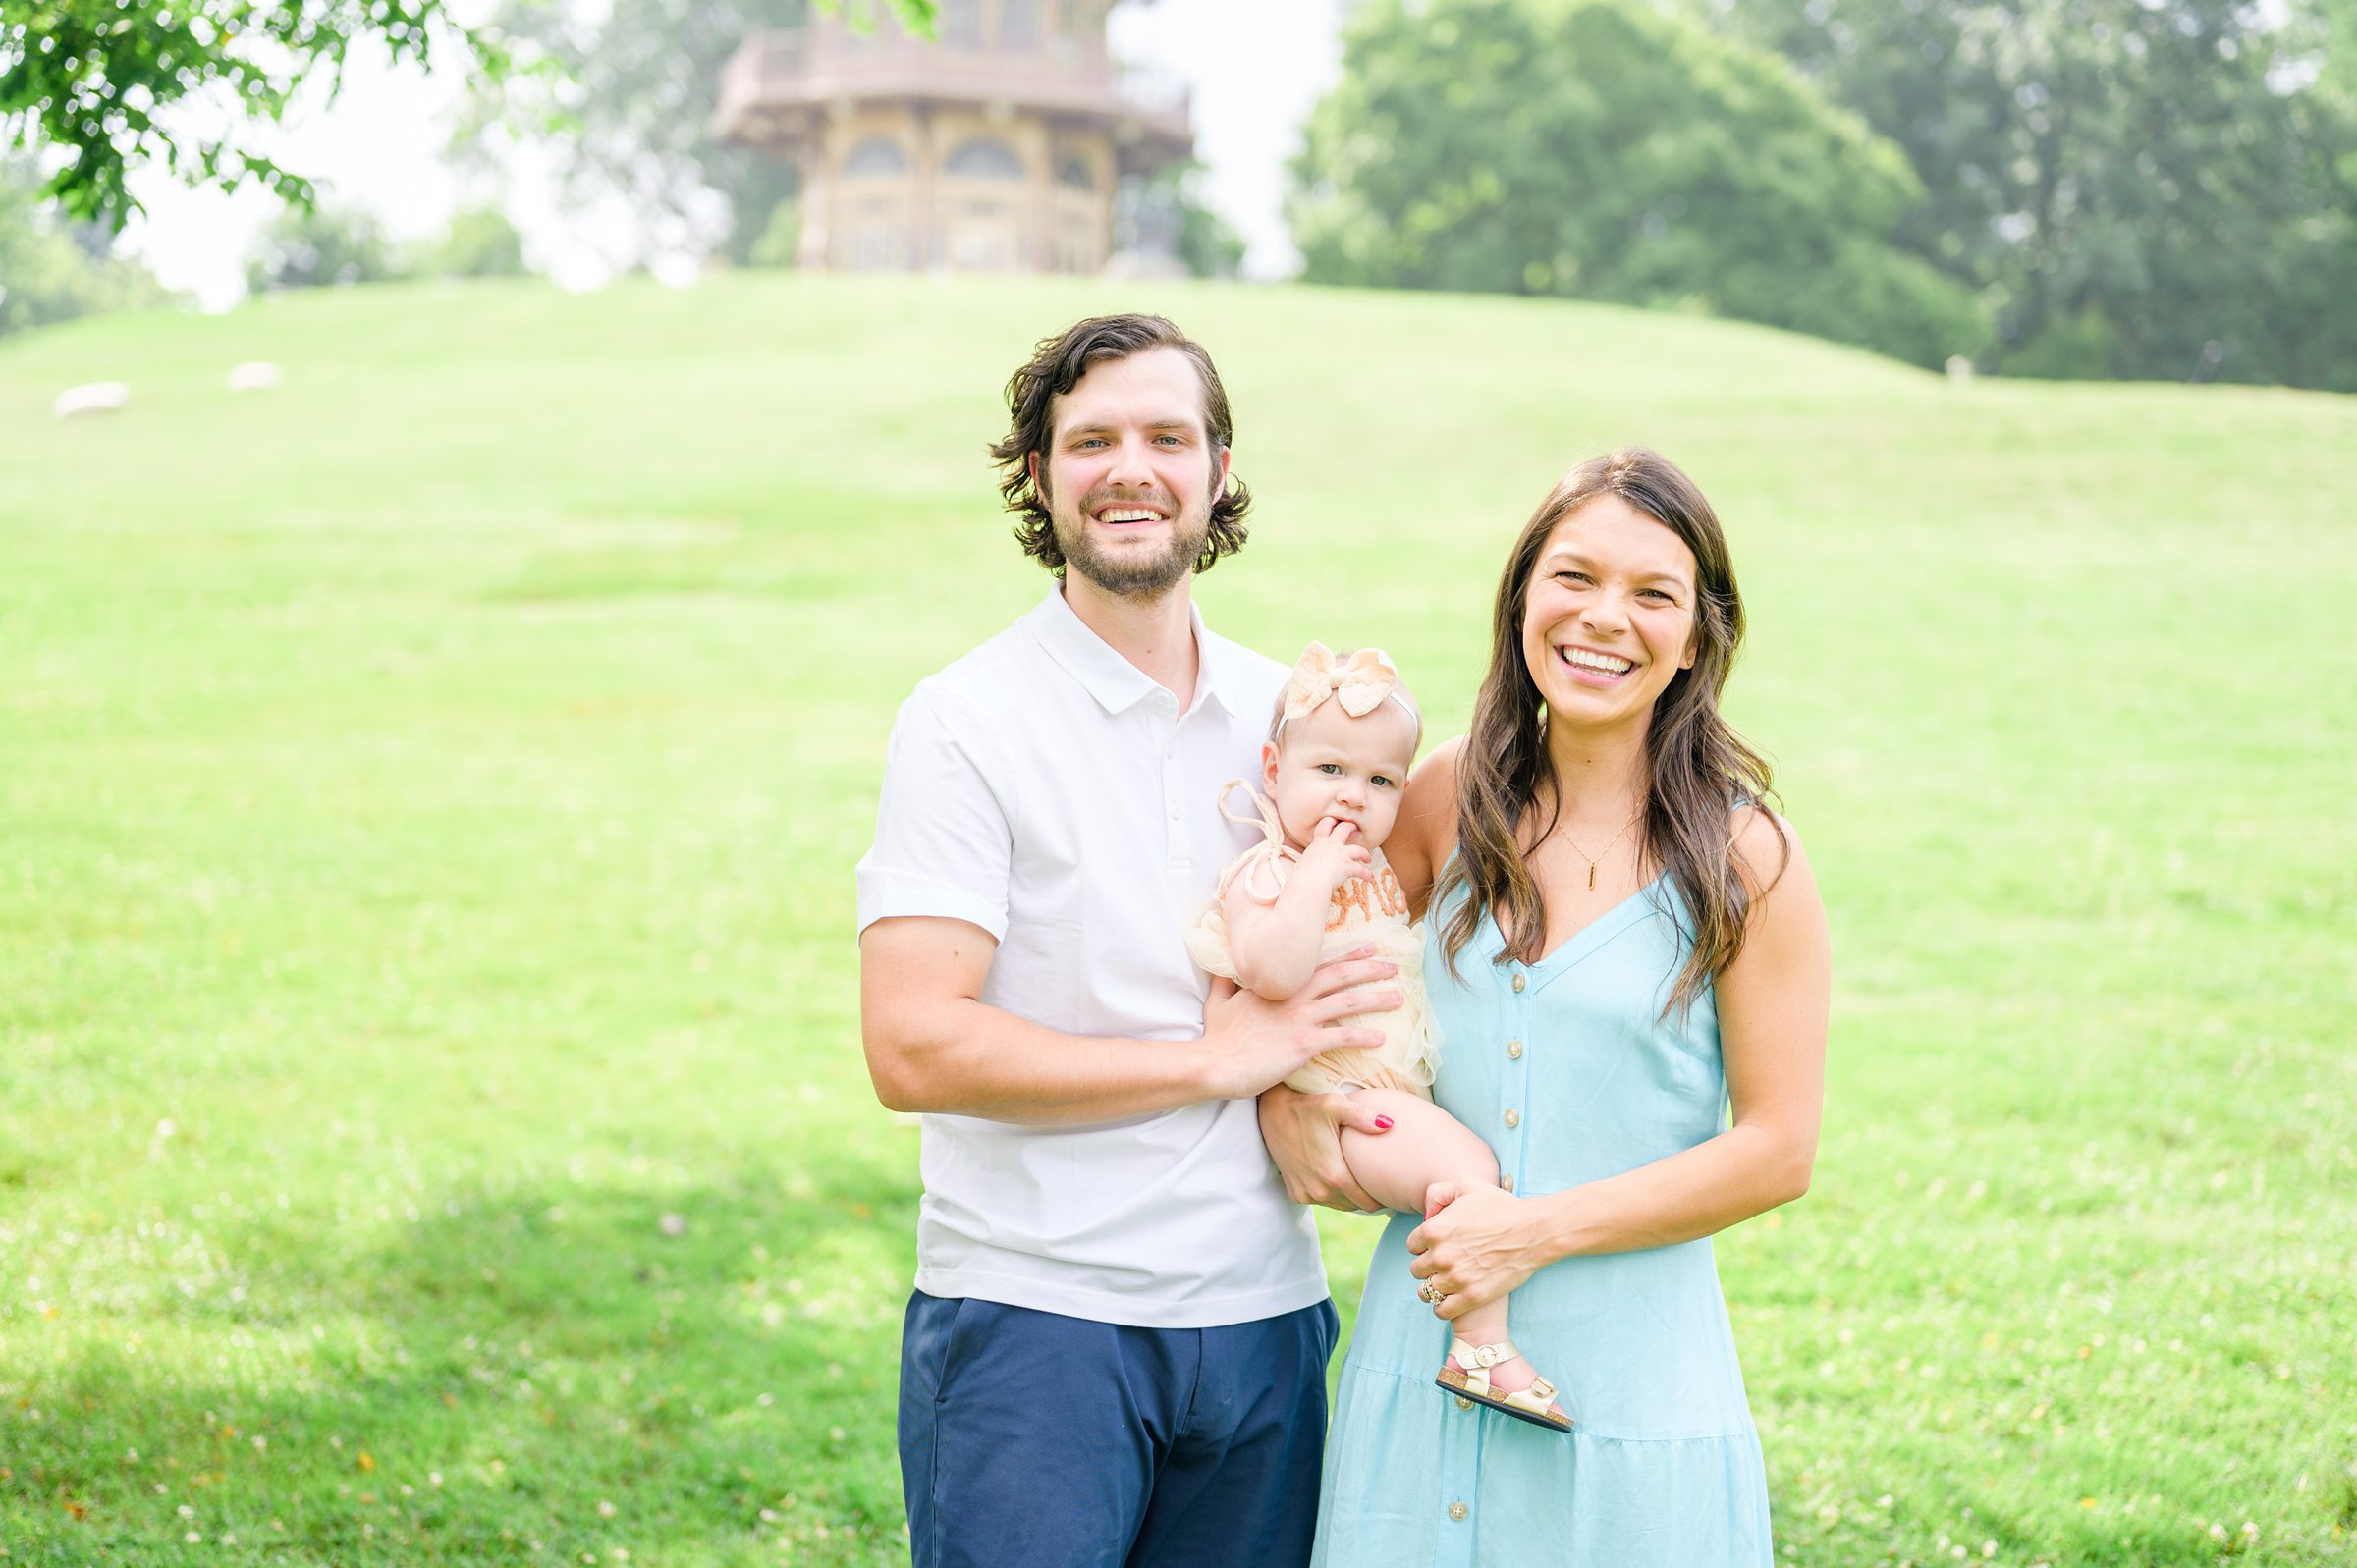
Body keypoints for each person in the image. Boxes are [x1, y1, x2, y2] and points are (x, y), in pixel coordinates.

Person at [854, 313, 1401, 1568]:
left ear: (1218, 470)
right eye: (1089, 439)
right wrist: (1210, 1062)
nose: (1130, 467)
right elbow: (914, 1047)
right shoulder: (964, 721)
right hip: (1037, 1323)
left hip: (1268, 1319)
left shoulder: (1295, 717)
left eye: (1168, 435)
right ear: (1041, 480)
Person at [1293, 448, 1832, 1565]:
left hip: (1633, 1392)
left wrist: (1527, 1234)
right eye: (1574, 577)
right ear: (1523, 594)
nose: (1605, 619)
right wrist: (1291, 1120)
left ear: (1699, 633)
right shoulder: (1439, 797)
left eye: (1654, 593)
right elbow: (1316, 1001)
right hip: (1419, 1373)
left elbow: (1780, 1148)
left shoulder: (1748, 857)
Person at [1184, 640, 1570, 1430]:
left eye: (1381, 781)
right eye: (1329, 770)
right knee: (1468, 1166)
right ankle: (1481, 1348)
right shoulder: (1270, 872)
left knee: (1462, 1163)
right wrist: (1316, 874)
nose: (1353, 797)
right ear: (1272, 768)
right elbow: (1271, 968)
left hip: (1380, 1083)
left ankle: (1479, 1342)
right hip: (1339, 1095)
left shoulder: (1374, 871)